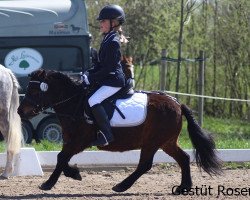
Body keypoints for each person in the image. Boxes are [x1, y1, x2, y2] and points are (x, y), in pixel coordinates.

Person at [81, 4, 126, 146]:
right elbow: (101, 65)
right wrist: (88, 74)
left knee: (93, 100)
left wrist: (91, 78)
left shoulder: (113, 42)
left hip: (114, 80)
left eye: (103, 21)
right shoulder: (107, 39)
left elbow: (108, 68)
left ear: (114, 23)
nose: (100, 24)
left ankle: (107, 134)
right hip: (108, 78)